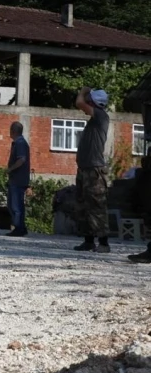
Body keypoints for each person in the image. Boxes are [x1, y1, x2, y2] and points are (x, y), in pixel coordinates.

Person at [73, 87, 111, 253]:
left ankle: (104, 243)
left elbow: (79, 102)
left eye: (89, 100)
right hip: (85, 168)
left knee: (97, 206)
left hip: (94, 170)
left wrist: (82, 91)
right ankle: (88, 241)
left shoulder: (101, 115)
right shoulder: (93, 121)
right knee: (83, 206)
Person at [6, 122, 31, 237]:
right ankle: (21, 227)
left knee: (15, 205)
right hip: (17, 179)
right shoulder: (19, 143)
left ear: (13, 131)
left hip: (18, 179)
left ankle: (19, 227)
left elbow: (21, 160)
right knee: (15, 204)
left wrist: (10, 169)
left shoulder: (20, 143)